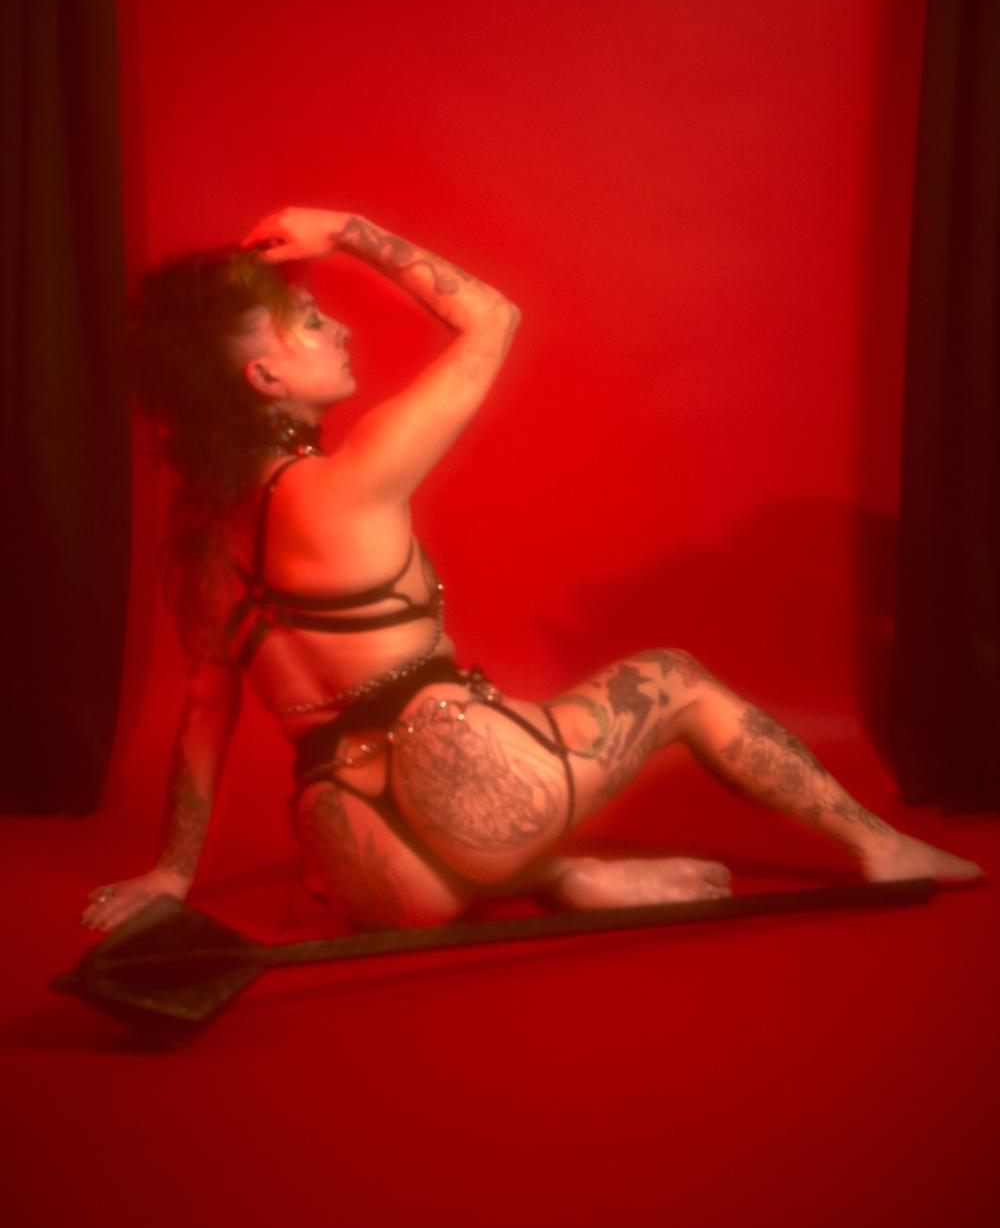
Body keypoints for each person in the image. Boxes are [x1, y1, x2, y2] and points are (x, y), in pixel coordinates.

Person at [81, 208, 984, 935]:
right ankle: (880, 848)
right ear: (263, 377)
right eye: (310, 324)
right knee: (677, 679)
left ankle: (557, 876)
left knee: (467, 835)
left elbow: (206, 710)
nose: (338, 328)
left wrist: (170, 874)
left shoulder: (200, 540)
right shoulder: (350, 483)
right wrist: (350, 231)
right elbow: (492, 318)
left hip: (362, 867)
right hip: (481, 792)